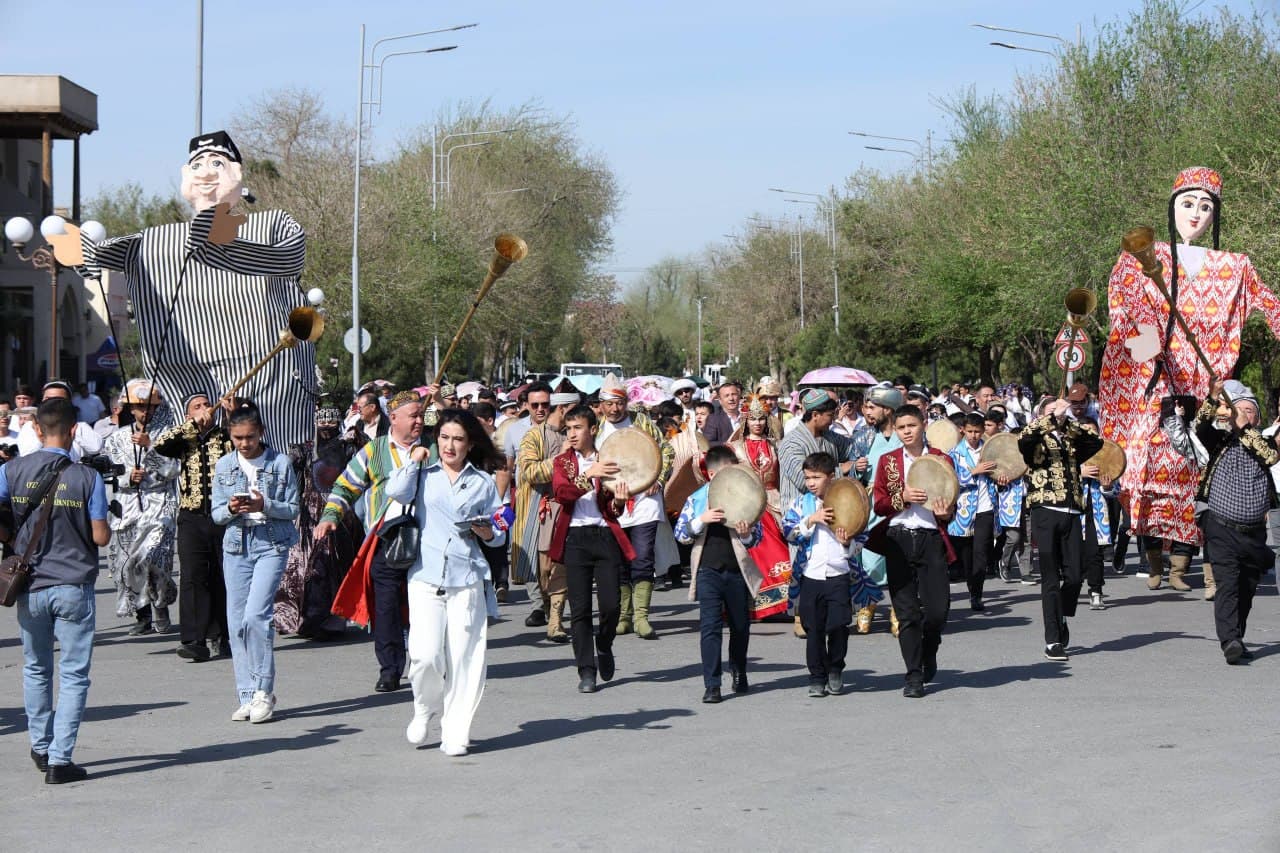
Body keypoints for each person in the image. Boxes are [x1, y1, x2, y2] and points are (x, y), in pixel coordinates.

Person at [71, 130, 316, 450]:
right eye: (197, 164)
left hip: (269, 380)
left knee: (271, 465)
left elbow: (287, 259)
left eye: (218, 162)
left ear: (238, 174)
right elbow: (105, 253)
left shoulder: (271, 224)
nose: (207, 171)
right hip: (185, 379)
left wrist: (221, 242)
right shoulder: (158, 239)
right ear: (185, 176)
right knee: (188, 464)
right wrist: (77, 250)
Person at [1099, 167, 1280, 595]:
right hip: (1156, 378)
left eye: (1205, 206)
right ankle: (1157, 556)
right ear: (1172, 207)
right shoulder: (1141, 256)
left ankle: (1212, 564)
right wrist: (1149, 347)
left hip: (1209, 384)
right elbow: (1122, 308)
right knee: (1151, 460)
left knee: (1208, 468)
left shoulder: (1235, 266)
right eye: (1187, 204)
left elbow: (1272, 305)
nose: (1196, 214)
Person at [0, 397, 111, 783]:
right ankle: (61, 760)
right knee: (74, 674)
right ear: (75, 431)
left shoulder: (11, 470)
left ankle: (41, 745)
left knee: (36, 668)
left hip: (29, 584)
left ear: (35, 429)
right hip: (73, 585)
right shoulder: (88, 478)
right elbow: (100, 537)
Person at [386, 409, 505, 755]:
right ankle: (424, 708)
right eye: (444, 438)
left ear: (470, 445)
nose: (449, 446)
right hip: (424, 576)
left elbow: (500, 527)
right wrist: (413, 459)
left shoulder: (482, 482)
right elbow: (396, 491)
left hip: (466, 577)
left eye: (458, 439)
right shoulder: (424, 473)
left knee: (465, 658)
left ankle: (455, 730)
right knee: (424, 655)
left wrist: (489, 530)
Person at [318, 390, 426, 692]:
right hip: (385, 538)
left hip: (427, 540)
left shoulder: (433, 446)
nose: (419, 421)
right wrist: (331, 517)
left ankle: (426, 662)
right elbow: (346, 486)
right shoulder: (374, 451)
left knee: (424, 605)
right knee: (386, 607)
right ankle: (390, 668)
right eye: (413, 416)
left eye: (420, 416)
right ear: (394, 418)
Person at [211, 401, 300, 723]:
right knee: (236, 624)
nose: (244, 444)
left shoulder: (280, 463)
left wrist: (266, 503)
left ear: (261, 433)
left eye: (249, 437)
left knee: (255, 617)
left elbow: (292, 509)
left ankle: (264, 691)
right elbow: (216, 513)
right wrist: (233, 508)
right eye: (237, 438)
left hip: (271, 543)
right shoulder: (224, 466)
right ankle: (246, 694)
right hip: (236, 545)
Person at [548, 404, 635, 693]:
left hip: (604, 536)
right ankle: (586, 670)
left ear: (593, 429)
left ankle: (605, 642)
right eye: (568, 428)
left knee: (611, 604)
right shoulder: (563, 463)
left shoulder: (609, 460)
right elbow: (562, 493)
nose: (571, 434)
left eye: (577, 428)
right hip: (575, 539)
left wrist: (620, 502)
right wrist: (589, 475)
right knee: (581, 608)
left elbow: (613, 508)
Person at [870, 406, 956, 698]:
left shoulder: (941, 459)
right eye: (901, 427)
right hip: (898, 539)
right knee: (907, 613)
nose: (907, 431)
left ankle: (930, 647)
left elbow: (950, 506)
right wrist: (902, 497)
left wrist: (945, 514)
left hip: (932, 539)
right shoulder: (888, 461)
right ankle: (914, 676)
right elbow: (880, 504)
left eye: (912, 425)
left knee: (937, 612)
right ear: (895, 430)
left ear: (924, 425)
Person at [784, 451, 884, 698]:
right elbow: (788, 532)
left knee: (839, 625)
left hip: (839, 574)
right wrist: (811, 521)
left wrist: (846, 542)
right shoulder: (801, 504)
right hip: (810, 575)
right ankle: (817, 676)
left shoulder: (848, 498)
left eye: (816, 477)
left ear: (830, 477)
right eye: (808, 477)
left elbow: (862, 536)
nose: (811, 483)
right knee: (813, 628)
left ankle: (836, 669)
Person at [1194, 380, 1276, 663]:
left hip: (1253, 532)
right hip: (1220, 525)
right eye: (1237, 409)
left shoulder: (1263, 442)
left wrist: (1245, 427)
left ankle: (1237, 635)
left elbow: (1270, 455)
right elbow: (1199, 428)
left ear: (1257, 417)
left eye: (1248, 410)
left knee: (1247, 587)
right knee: (1227, 583)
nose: (1241, 413)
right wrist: (1212, 396)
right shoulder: (1220, 440)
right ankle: (1229, 640)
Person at [674, 445, 763, 703]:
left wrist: (746, 534)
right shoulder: (697, 499)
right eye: (728, 471)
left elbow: (757, 537)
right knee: (710, 628)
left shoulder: (744, 495)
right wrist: (701, 519)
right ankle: (712, 684)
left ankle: (738, 670)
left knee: (740, 626)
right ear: (712, 475)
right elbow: (681, 535)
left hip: (736, 571)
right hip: (707, 571)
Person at [1019, 397, 1103, 662]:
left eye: (1060, 410)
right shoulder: (1034, 438)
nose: (1059, 414)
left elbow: (1095, 443)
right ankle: (1052, 639)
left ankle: (1061, 614)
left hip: (1072, 510)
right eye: (1052, 411)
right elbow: (1024, 440)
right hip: (1044, 510)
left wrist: (1066, 423)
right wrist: (1050, 418)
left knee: (1076, 575)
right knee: (1050, 578)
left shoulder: (1071, 438)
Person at [153, 392, 233, 660]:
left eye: (206, 404)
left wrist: (232, 415)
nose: (203, 410)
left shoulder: (225, 435)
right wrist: (192, 424)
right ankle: (193, 640)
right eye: (196, 407)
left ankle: (224, 635)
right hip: (191, 516)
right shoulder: (184, 438)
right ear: (188, 414)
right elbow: (160, 445)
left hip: (225, 517)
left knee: (225, 576)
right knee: (193, 577)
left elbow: (246, 448)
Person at [596, 373, 674, 639]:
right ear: (601, 405)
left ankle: (642, 616)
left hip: (644, 502)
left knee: (642, 558)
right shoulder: (596, 429)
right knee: (618, 561)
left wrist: (659, 479)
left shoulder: (642, 423)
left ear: (626, 402)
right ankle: (624, 616)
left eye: (619, 403)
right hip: (611, 503)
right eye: (609, 404)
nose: (615, 409)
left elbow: (666, 451)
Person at [273, 404, 358, 640]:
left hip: (340, 512)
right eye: (322, 423)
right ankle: (303, 618)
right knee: (304, 568)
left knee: (335, 566)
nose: (327, 427)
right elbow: (287, 470)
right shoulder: (305, 450)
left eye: (332, 423)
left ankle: (333, 620)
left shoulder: (349, 448)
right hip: (309, 514)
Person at [103, 380, 180, 636]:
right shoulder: (116, 438)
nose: (144, 412)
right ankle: (142, 614)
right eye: (139, 407)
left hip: (159, 505)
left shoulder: (169, 434)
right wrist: (127, 478)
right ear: (130, 408)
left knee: (154, 557)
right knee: (128, 562)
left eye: (149, 407)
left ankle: (160, 606)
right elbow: (109, 474)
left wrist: (150, 448)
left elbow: (172, 470)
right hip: (127, 506)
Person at [778, 389, 855, 637]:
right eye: (830, 414)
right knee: (802, 563)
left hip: (830, 508)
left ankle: (830, 611)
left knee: (832, 561)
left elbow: (852, 449)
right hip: (802, 513)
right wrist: (843, 470)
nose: (833, 418)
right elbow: (804, 482)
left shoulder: (830, 438)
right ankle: (801, 615)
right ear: (815, 414)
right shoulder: (791, 443)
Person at [515, 390, 580, 642]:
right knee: (542, 569)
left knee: (560, 566)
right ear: (563, 410)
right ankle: (544, 605)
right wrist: (560, 458)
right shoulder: (533, 436)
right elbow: (529, 471)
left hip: (569, 510)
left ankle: (556, 621)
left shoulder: (575, 434)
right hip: (541, 510)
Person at [728, 395, 792, 618]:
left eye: (761, 419)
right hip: (747, 504)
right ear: (745, 421)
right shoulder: (734, 448)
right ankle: (750, 604)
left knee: (781, 551)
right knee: (752, 554)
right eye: (753, 419)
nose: (757, 423)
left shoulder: (777, 446)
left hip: (774, 503)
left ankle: (782, 602)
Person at [507, 382, 554, 627]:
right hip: (526, 497)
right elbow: (506, 468)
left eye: (545, 404)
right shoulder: (515, 431)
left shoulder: (561, 430)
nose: (539, 409)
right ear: (526, 405)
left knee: (551, 556)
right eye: (534, 405)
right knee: (529, 552)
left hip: (556, 498)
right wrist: (501, 501)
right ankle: (537, 605)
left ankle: (552, 604)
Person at [948, 412, 999, 612]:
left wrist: (1001, 480)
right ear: (963, 430)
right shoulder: (954, 454)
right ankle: (971, 586)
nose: (973, 435)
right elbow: (949, 481)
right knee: (966, 556)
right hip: (963, 509)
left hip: (986, 508)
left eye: (977, 431)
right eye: (970, 431)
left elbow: (1003, 472)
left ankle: (977, 594)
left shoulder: (991, 451)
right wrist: (973, 472)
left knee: (981, 555)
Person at [17, 381, 105, 461]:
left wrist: (71, 428)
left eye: (57, 399)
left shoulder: (80, 427)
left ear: (69, 402)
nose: (51, 403)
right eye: (47, 399)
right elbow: (27, 455)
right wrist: (41, 434)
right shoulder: (31, 427)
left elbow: (96, 447)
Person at [702, 380, 743, 445]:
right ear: (720, 400)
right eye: (727, 396)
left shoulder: (747, 418)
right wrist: (727, 445)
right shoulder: (713, 419)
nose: (731, 398)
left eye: (734, 394)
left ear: (739, 397)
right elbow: (707, 443)